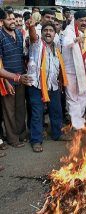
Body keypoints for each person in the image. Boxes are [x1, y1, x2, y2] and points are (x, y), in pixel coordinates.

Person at [27, 22, 72, 152]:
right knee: (37, 114)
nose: (48, 32)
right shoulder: (37, 45)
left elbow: (57, 67)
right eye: (45, 30)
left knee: (56, 110)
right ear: (42, 33)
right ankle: (36, 140)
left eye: (51, 30)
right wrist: (31, 27)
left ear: (54, 34)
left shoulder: (56, 47)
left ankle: (57, 134)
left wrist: (59, 80)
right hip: (37, 85)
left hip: (53, 86)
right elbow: (33, 36)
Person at [0, 9, 29, 149]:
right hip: (8, 79)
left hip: (21, 77)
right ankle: (13, 139)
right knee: (9, 111)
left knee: (20, 108)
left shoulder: (18, 33)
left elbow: (21, 55)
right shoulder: (0, 35)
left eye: (13, 19)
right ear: (2, 21)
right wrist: (6, 81)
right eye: (8, 19)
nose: (12, 21)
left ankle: (21, 134)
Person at [62, 10, 86, 130]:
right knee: (72, 97)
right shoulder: (69, 31)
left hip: (82, 68)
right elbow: (66, 43)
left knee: (83, 95)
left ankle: (79, 120)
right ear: (75, 20)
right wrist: (75, 40)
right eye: (82, 20)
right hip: (70, 69)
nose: (84, 23)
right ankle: (76, 124)